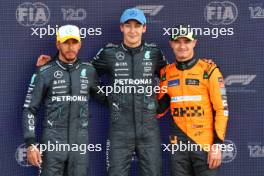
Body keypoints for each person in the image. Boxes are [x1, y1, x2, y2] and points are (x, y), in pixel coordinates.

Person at [36, 8, 167, 176]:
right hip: (120, 130)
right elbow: (81, 72)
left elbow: (171, 76)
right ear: (121, 27)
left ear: (144, 28)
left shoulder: (154, 52)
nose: (132, 30)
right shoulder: (109, 53)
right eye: (128, 25)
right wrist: (52, 64)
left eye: (137, 26)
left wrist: (161, 106)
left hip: (149, 129)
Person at [23, 24, 105, 176]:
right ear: (58, 44)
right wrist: (31, 144)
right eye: (66, 42)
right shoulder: (44, 72)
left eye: (74, 42)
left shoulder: (88, 71)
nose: (70, 47)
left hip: (79, 143)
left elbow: (104, 98)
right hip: (53, 142)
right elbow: (30, 109)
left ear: (79, 44)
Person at [157, 27, 229, 176]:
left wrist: (217, 145)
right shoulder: (166, 73)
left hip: (204, 144)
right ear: (171, 44)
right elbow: (160, 109)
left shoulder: (209, 70)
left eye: (186, 41)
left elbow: (222, 109)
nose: (182, 46)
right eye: (177, 41)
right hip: (178, 146)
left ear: (194, 43)